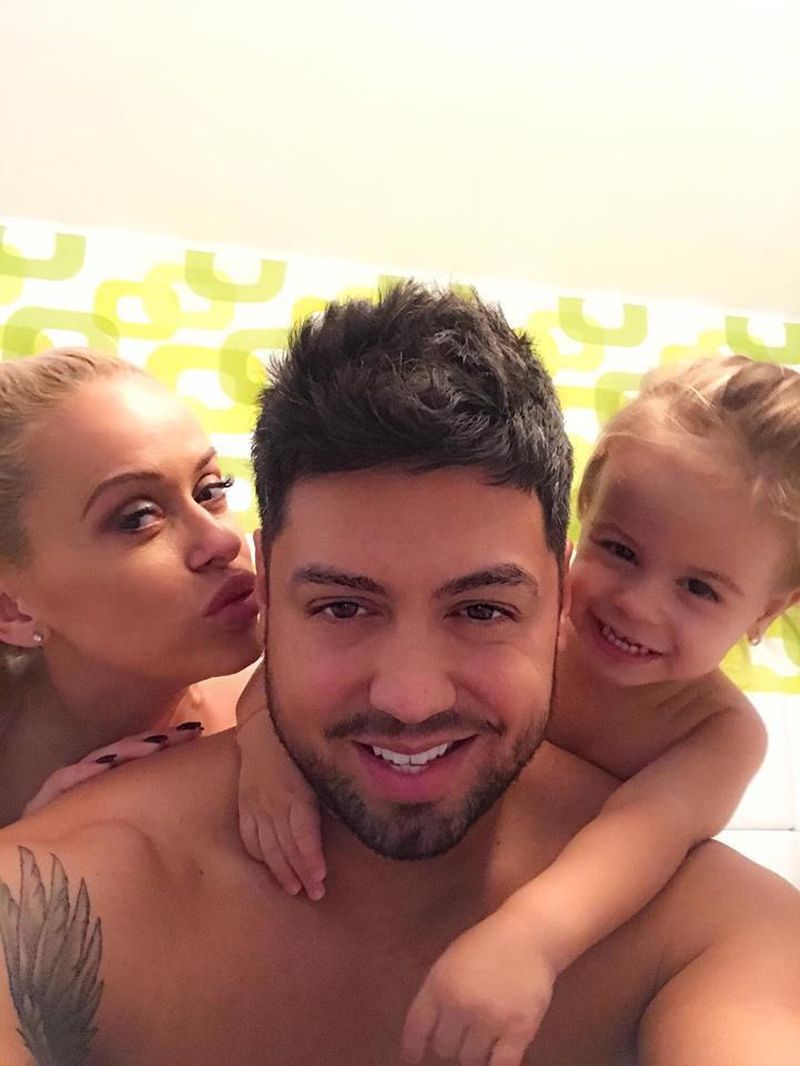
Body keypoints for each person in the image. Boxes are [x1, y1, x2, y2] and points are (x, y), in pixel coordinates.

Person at [0, 283, 798, 1066]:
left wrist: (530, 939)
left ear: (555, 591)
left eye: (482, 609)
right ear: (268, 590)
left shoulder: (716, 923)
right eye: (343, 607)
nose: (411, 699)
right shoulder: (63, 876)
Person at [236, 351, 800, 1064]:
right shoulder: (518, 624)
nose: (638, 604)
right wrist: (261, 746)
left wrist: (527, 941)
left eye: (699, 589)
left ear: (767, 611)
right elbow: (288, 676)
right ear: (576, 528)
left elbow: (641, 834)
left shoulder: (718, 732)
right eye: (620, 551)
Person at [0, 348, 261, 825]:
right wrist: (31, 851)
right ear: (10, 609)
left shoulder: (290, 705)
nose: (222, 542)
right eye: (138, 517)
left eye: (210, 491)